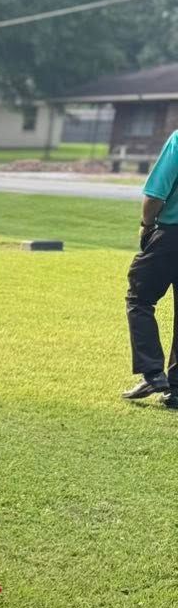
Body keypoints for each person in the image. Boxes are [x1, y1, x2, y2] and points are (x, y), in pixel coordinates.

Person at [122, 124, 178, 404]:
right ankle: (177, 389)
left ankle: (153, 373)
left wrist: (147, 225)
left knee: (139, 297)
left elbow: (155, 194)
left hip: (172, 236)